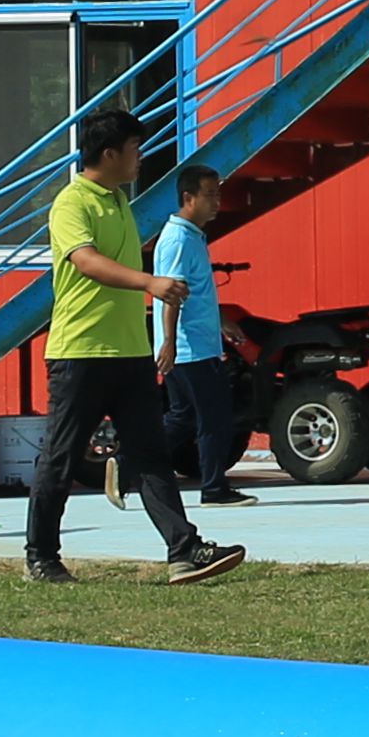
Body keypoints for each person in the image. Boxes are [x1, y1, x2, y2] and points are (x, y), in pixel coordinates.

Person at [28, 108, 245, 587]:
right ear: (109, 154)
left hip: (130, 353)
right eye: (134, 149)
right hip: (81, 352)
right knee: (61, 457)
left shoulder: (120, 203)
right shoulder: (71, 203)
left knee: (150, 455)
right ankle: (41, 555)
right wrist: (151, 283)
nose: (140, 159)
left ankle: (184, 551)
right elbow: (85, 261)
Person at [150, 164, 260, 510]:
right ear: (188, 198)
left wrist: (221, 322)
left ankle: (127, 466)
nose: (217, 202)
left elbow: (195, 293)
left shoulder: (191, 236)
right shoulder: (179, 239)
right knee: (215, 418)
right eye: (210, 195)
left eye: (218, 194)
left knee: (182, 417)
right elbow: (172, 293)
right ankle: (214, 488)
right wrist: (168, 341)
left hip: (194, 342)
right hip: (189, 348)